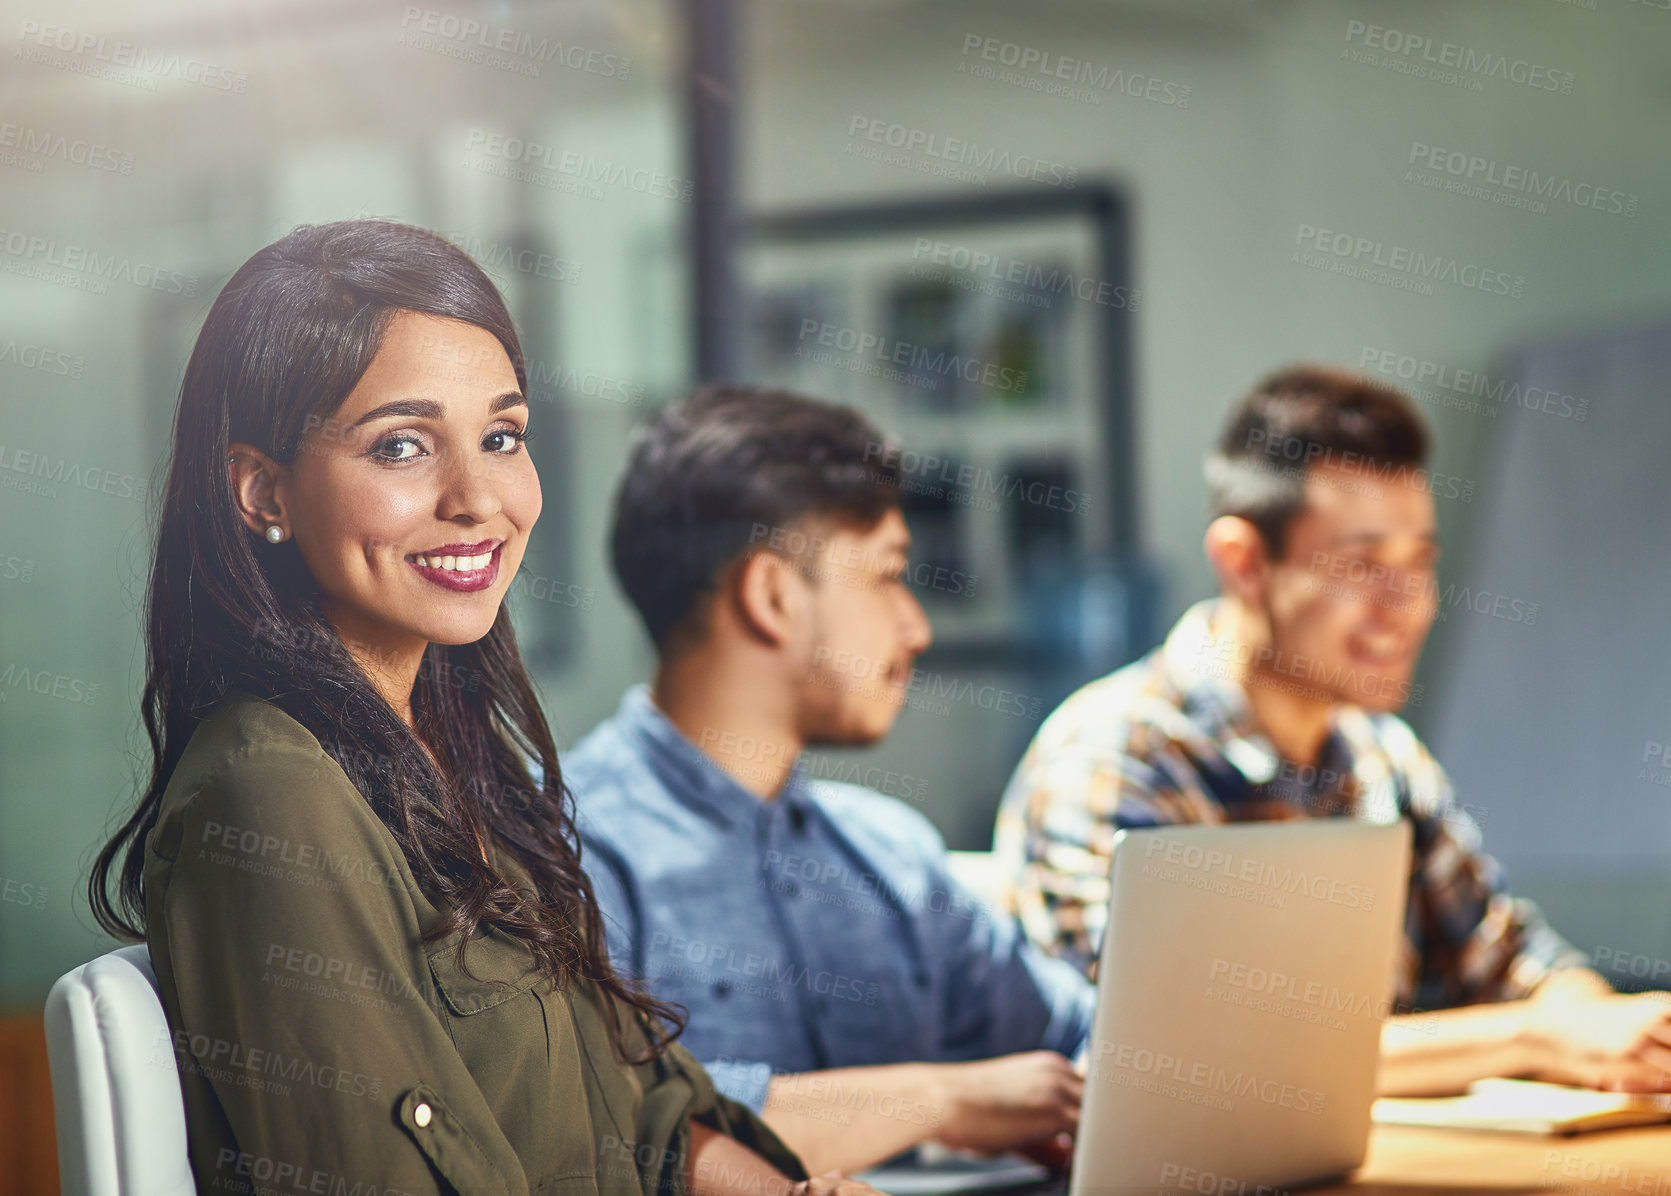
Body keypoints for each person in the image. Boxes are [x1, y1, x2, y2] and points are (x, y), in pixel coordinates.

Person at [88, 221, 878, 1196]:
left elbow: (644, 1112)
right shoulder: (268, 789)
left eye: (501, 436)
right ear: (263, 489)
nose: (478, 496)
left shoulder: (454, 757)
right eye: (405, 445)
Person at [994, 363, 1671, 1097]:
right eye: (1361, 565)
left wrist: (1616, 1034)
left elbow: (1513, 965)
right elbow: (1191, 1060)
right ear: (1244, 563)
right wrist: (1531, 1037)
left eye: (1418, 563)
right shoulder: (1113, 759)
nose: (1405, 605)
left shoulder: (1380, 756)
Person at [562, 386, 1093, 1177]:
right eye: (885, 575)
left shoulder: (889, 852)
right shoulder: (553, 849)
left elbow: (1075, 1037)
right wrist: (937, 1100)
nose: (915, 627)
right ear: (771, 594)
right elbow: (600, 1126)